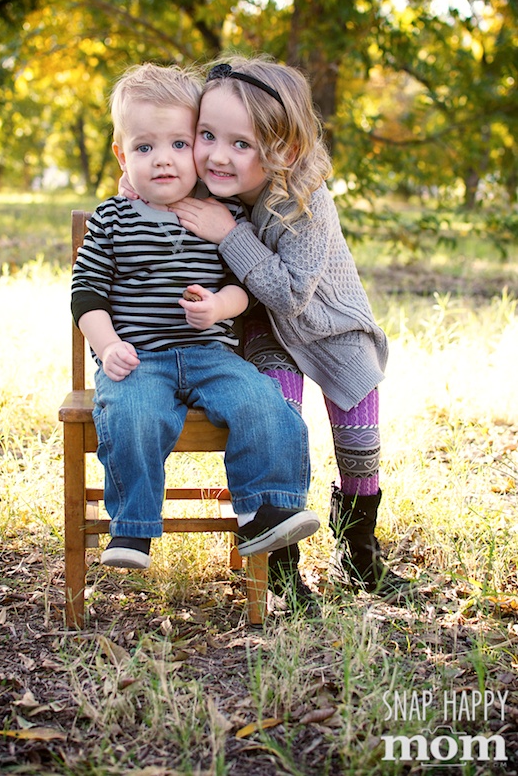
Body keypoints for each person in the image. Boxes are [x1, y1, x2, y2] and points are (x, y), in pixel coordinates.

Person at [157, 55, 416, 604]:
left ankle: (359, 551)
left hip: (329, 326)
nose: (217, 155)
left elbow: (292, 293)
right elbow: (150, 180)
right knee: (277, 413)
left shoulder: (306, 202)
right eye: (206, 135)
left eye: (241, 143)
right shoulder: (210, 188)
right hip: (267, 331)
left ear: (284, 150)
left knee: (359, 442)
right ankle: (280, 562)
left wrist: (230, 233)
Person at [71, 62, 319, 573]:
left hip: (211, 354)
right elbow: (86, 292)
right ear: (122, 154)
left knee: (262, 402)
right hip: (140, 357)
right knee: (133, 414)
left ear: (199, 152)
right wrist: (106, 345)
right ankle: (133, 529)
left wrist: (218, 308)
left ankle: (263, 510)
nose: (162, 160)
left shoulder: (220, 214)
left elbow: (242, 289)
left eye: (179, 145)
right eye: (144, 148)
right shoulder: (114, 217)